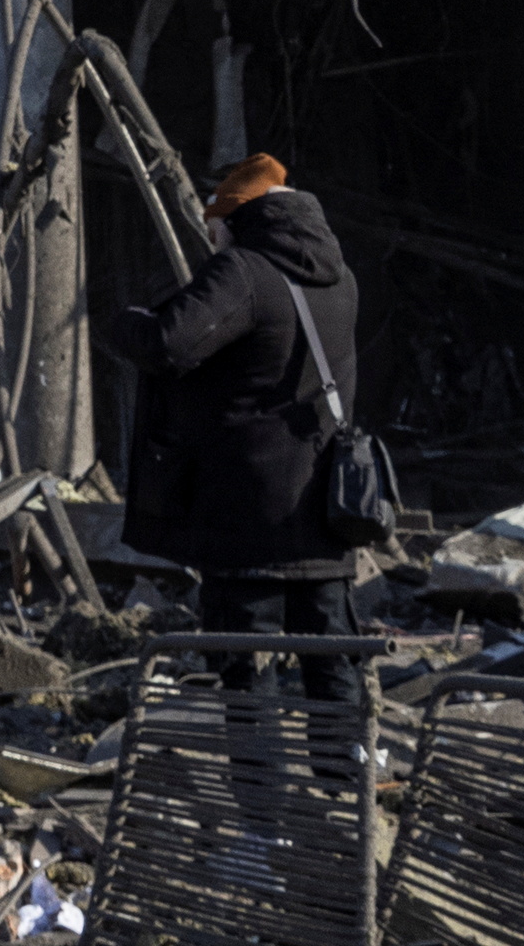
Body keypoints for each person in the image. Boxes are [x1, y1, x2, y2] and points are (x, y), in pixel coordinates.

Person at [116, 154, 375, 700]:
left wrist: (125, 324)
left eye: (216, 232)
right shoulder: (342, 277)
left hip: (246, 515)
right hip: (327, 506)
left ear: (238, 219)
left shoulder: (245, 273)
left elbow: (171, 343)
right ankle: (346, 775)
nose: (214, 245)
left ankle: (261, 781)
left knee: (244, 666)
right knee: (331, 657)